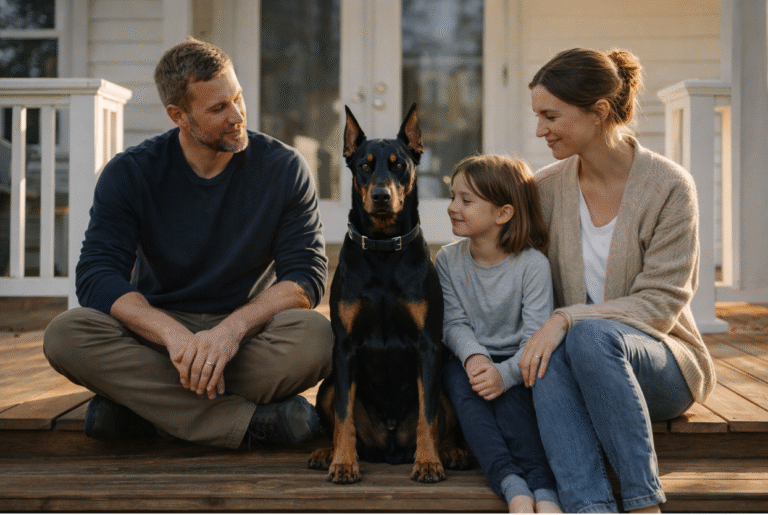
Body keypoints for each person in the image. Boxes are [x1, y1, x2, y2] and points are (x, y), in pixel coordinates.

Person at [43, 37, 333, 449]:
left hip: (246, 336)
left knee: (315, 339)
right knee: (65, 334)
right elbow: (96, 275)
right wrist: (173, 337)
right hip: (157, 337)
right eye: (218, 108)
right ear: (178, 115)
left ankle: (140, 409)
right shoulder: (130, 173)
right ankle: (245, 424)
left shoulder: (284, 167)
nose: (237, 115)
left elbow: (306, 277)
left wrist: (231, 331)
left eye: (237, 98)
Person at [523, 47, 717, 513]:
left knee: (585, 336)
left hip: (663, 363)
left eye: (551, 116)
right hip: (575, 362)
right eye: (537, 116)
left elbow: (660, 304)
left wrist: (568, 317)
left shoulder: (670, 186)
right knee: (547, 357)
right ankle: (590, 508)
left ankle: (643, 501)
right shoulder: (545, 190)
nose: (539, 130)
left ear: (599, 113)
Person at [437, 155, 561, 513]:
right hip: (469, 359)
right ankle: (512, 484)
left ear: (503, 213)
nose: (452, 208)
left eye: (466, 200)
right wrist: (475, 358)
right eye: (452, 196)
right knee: (465, 392)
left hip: (521, 361)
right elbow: (452, 323)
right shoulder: (447, 259)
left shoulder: (532, 264)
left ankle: (544, 489)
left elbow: (534, 336)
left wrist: (504, 376)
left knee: (512, 407)